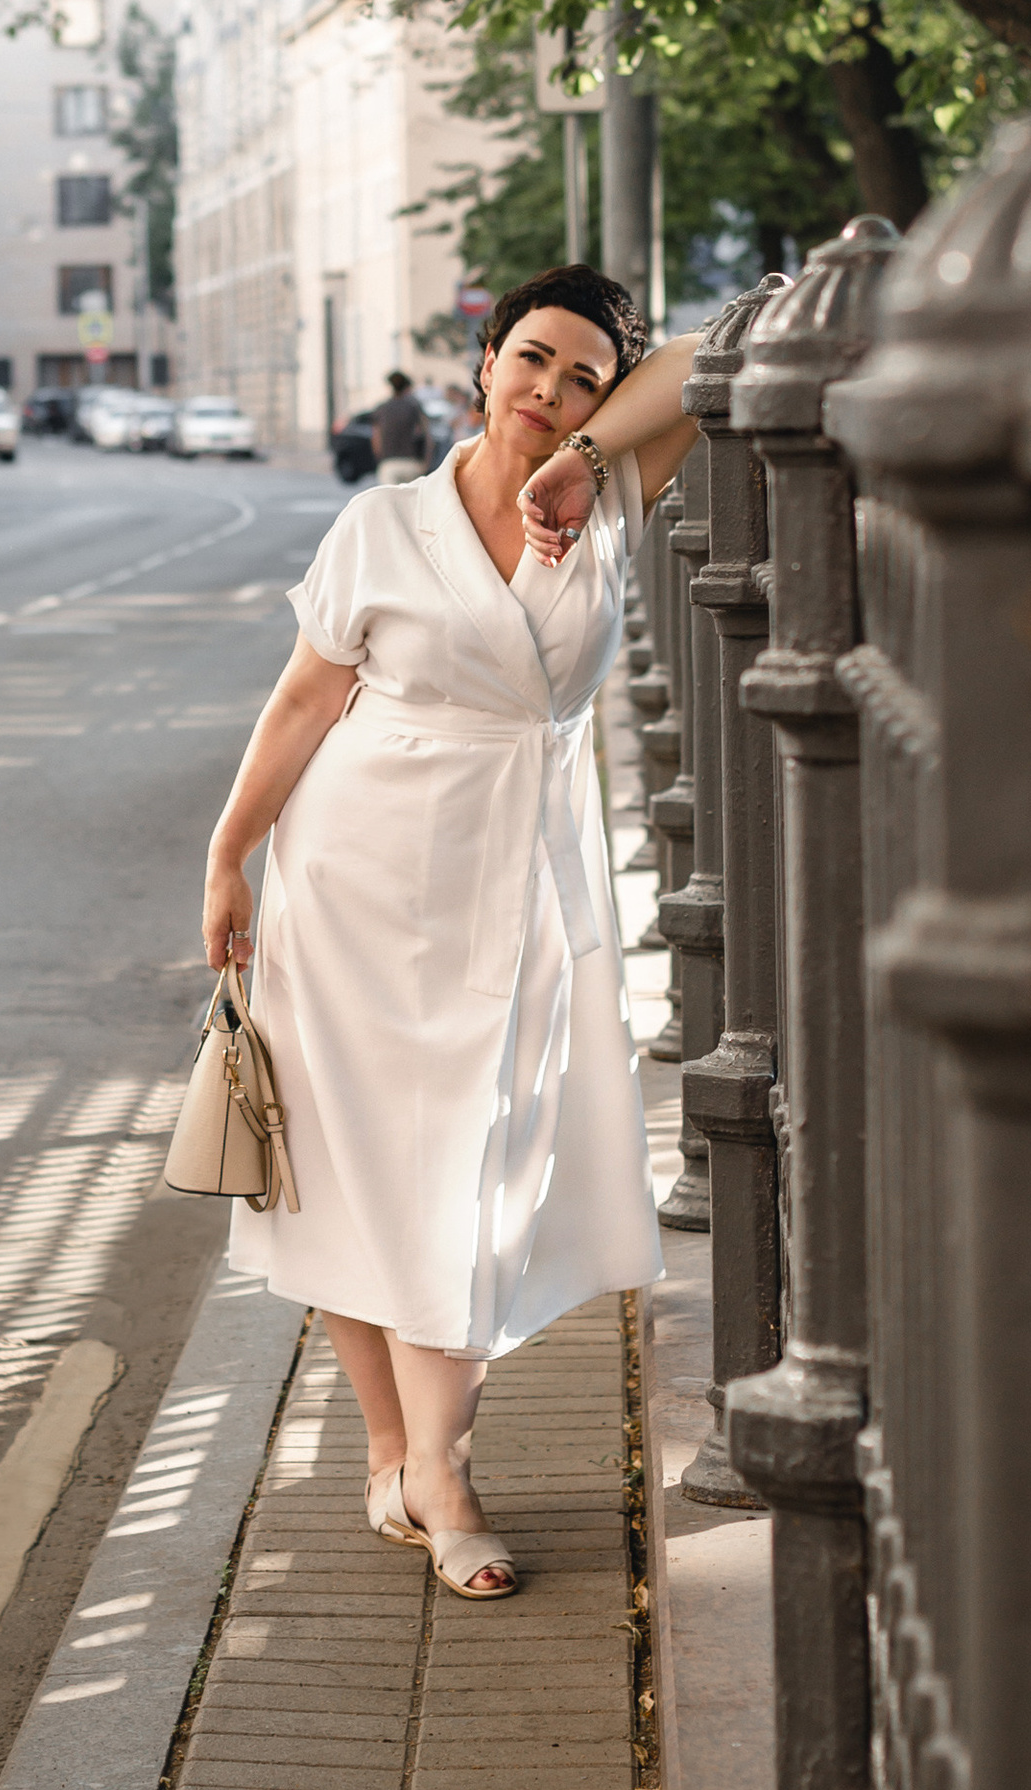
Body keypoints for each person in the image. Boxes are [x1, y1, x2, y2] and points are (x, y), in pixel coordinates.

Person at [199, 263, 703, 1598]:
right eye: (532, 359)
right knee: (354, 1177)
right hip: (353, 881)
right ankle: (420, 1461)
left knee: (476, 1179)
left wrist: (587, 459)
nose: (549, 389)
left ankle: (426, 1457)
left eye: (584, 375)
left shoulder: (611, 506)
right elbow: (307, 703)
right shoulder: (381, 525)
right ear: (484, 363)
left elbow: (714, 353)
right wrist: (229, 852)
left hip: (519, 882)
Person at [368, 369, 430, 486]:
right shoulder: (414, 407)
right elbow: (427, 435)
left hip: (389, 462)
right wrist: (426, 461)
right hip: (412, 462)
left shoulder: (382, 408)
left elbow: (376, 439)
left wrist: (380, 459)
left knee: (391, 501)